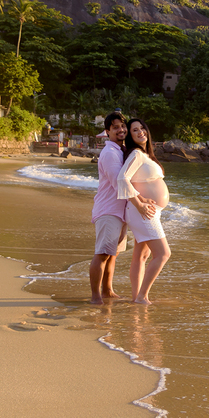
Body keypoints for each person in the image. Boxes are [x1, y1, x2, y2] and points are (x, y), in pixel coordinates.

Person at [117, 118, 171, 304]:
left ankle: (136, 297)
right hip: (142, 211)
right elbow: (122, 179)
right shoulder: (137, 154)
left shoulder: (145, 155)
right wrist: (139, 204)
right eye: (135, 130)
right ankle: (142, 296)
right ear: (131, 136)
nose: (141, 132)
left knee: (142, 255)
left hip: (149, 211)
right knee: (163, 254)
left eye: (142, 129)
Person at [89, 111, 130, 304]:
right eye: (115, 127)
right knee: (103, 254)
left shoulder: (122, 151)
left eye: (122, 126)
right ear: (107, 131)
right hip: (108, 211)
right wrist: (140, 203)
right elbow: (118, 182)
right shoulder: (110, 153)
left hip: (119, 211)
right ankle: (96, 296)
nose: (120, 130)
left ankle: (107, 290)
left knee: (113, 254)